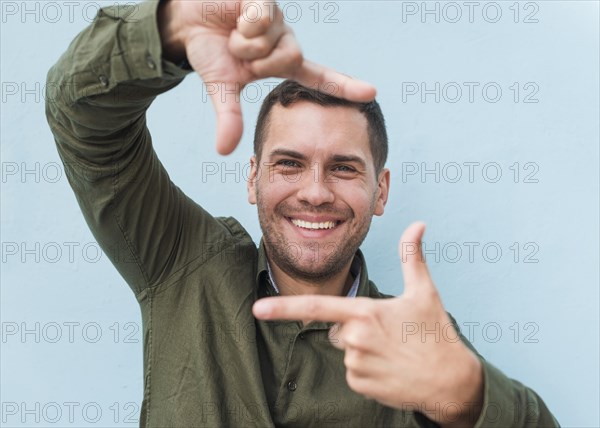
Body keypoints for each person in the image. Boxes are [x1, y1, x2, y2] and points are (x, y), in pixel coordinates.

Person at [45, 0, 559, 426]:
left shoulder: (412, 340)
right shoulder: (182, 262)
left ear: (380, 192)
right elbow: (82, 123)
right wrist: (168, 30)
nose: (315, 192)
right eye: (289, 163)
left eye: (343, 168)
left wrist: (470, 397)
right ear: (253, 178)